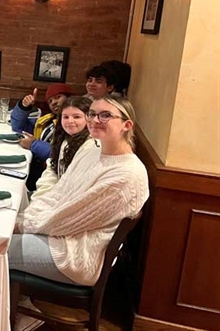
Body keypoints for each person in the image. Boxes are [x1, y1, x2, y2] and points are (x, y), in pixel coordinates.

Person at [9, 96, 149, 286]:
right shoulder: (91, 149)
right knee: (0, 226)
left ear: (126, 125)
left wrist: (22, 225)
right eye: (92, 114)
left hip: (76, 254)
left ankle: (13, 309)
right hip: (58, 232)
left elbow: (69, 219)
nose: (95, 120)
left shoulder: (126, 175)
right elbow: (60, 191)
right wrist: (26, 218)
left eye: (106, 115)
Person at [30, 96, 99, 200]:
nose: (70, 121)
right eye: (65, 117)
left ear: (89, 118)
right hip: (53, 195)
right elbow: (53, 169)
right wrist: (42, 195)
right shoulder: (66, 140)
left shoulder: (91, 146)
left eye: (76, 117)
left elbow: (75, 188)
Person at [11, 83, 75, 190]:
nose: (54, 102)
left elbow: (63, 153)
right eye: (50, 101)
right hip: (37, 169)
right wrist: (24, 107)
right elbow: (18, 126)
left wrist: (33, 144)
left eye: (58, 97)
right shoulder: (47, 121)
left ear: (69, 98)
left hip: (54, 177)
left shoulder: (73, 124)